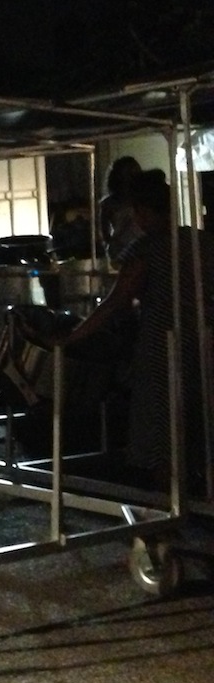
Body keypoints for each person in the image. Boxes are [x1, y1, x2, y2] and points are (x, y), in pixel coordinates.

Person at [43, 169, 214, 487]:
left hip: (165, 349)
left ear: (141, 211)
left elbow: (115, 303)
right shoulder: (200, 240)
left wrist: (70, 338)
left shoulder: (147, 249)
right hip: (204, 345)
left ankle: (170, 509)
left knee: (163, 435)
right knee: (200, 426)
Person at [98, 155, 143, 266]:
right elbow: (103, 232)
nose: (131, 177)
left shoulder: (143, 198)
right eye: (127, 174)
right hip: (120, 249)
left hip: (142, 246)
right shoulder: (108, 203)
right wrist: (113, 243)